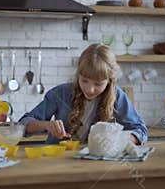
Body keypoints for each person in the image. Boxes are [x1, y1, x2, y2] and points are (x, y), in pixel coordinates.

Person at [19, 43, 148, 145]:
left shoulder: (117, 96)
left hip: (98, 164)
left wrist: (119, 139)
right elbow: (23, 124)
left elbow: (140, 131)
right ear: (78, 74)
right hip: (58, 162)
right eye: (84, 80)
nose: (90, 89)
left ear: (109, 81)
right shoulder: (60, 93)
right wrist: (47, 125)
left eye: (98, 84)